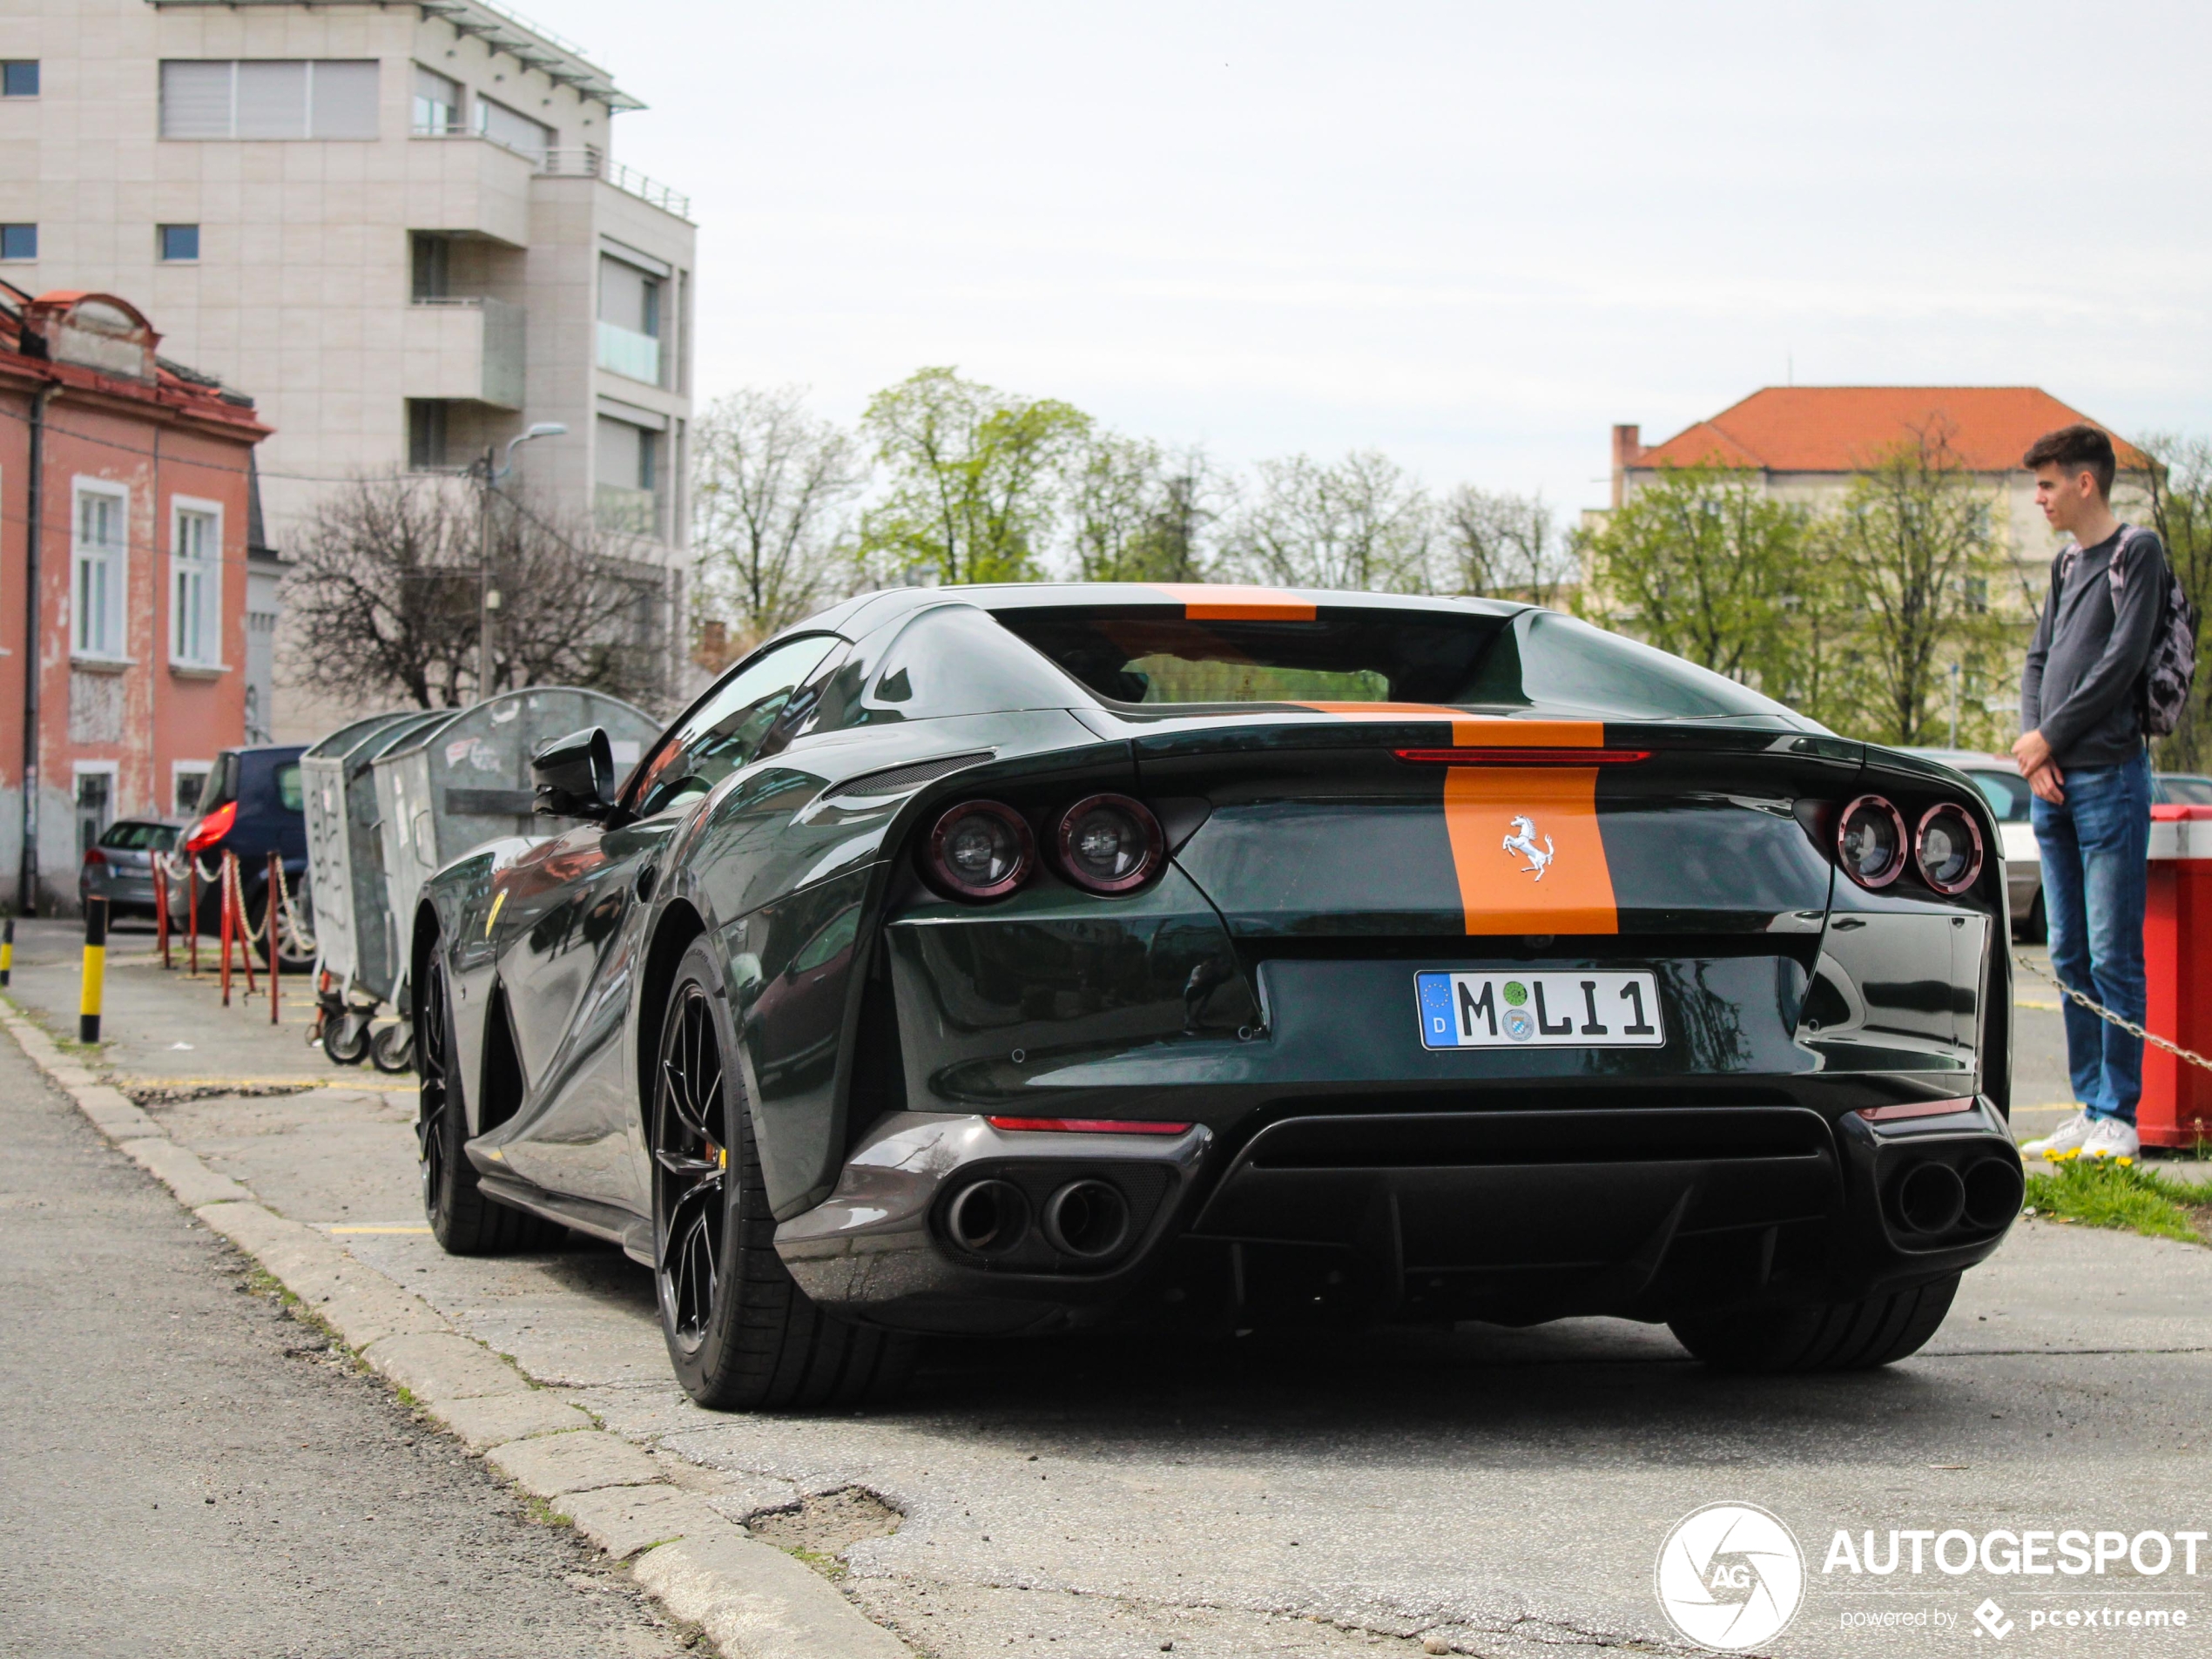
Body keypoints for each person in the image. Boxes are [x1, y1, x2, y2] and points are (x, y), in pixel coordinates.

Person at [2014, 424, 2167, 1163]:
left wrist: (2050, 739)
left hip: (2109, 778)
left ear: (2085, 482)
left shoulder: (2137, 551)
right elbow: (2038, 660)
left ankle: (2120, 1116)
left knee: (2113, 954)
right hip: (2054, 785)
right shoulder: (2066, 563)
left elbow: (2120, 663)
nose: (2038, 497)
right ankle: (2086, 1106)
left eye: (2047, 484)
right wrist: (2031, 742)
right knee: (2069, 950)